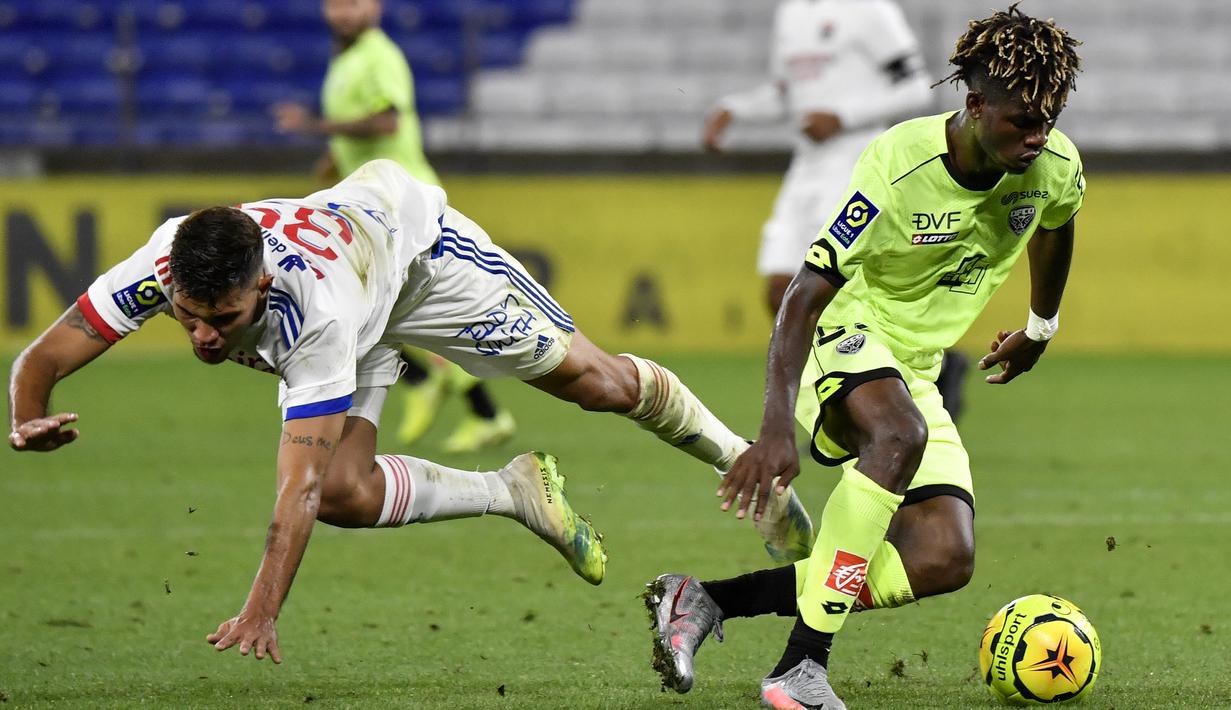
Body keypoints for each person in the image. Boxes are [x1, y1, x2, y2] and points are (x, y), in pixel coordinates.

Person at [8, 159, 815, 662]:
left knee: (598, 384)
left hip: (422, 264)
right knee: (354, 501)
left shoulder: (313, 313)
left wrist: (260, 610)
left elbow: (299, 489)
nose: (203, 335)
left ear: (259, 286)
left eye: (223, 320)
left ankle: (749, 466)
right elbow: (46, 353)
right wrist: (28, 413)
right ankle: (511, 491)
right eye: (187, 315)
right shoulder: (166, 260)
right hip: (360, 284)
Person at [648, 5, 1083, 707]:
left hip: (914, 363)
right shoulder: (897, 165)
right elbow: (800, 296)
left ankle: (705, 600)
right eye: (1021, 122)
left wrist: (1039, 325)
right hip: (843, 332)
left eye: (1048, 121)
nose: (1037, 139)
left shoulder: (1053, 166)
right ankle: (799, 669)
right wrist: (773, 428)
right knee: (897, 434)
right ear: (974, 106)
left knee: (943, 556)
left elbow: (1056, 227)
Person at [703, 0, 974, 423]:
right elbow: (786, 94)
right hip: (806, 164)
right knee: (780, 290)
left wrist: (842, 116)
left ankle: (858, 407)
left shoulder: (870, 10)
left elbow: (916, 84)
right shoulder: (792, 12)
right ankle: (894, 384)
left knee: (826, 288)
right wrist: (734, 109)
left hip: (856, 160)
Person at [273, 0, 514, 453]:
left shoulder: (379, 55)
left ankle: (440, 388)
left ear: (376, 8)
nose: (343, 13)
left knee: (381, 307)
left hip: (405, 206)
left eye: (354, 3)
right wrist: (336, 156)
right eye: (335, 4)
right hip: (372, 209)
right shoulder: (346, 60)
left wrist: (316, 126)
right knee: (376, 307)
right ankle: (468, 404)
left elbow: (388, 119)